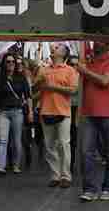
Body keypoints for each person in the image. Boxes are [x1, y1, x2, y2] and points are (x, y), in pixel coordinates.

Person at [77, 42, 109, 201]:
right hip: (88, 113)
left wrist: (85, 71)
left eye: (100, 40)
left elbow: (104, 81)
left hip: (108, 113)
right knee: (86, 153)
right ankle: (89, 189)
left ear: (108, 44)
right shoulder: (87, 62)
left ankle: (107, 188)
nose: (96, 43)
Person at [35, 43, 78, 188]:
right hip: (46, 110)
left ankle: (66, 176)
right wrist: (38, 81)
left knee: (64, 144)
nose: (54, 48)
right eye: (54, 47)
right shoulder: (43, 69)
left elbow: (73, 90)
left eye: (58, 47)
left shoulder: (70, 70)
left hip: (63, 112)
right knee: (49, 146)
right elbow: (34, 88)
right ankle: (55, 175)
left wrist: (53, 87)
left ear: (63, 53)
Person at [0, 53, 34, 174]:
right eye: (8, 62)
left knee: (16, 140)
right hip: (2, 112)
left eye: (13, 62)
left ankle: (16, 164)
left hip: (17, 111)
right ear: (4, 64)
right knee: (3, 140)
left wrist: (30, 112)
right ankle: (1, 166)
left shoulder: (21, 78)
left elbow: (28, 96)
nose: (10, 64)